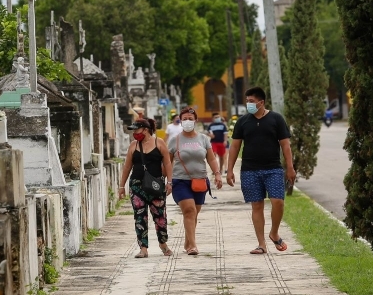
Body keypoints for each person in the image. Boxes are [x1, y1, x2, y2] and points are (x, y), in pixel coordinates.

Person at [226, 87, 296, 255]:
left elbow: (285, 145)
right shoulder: (243, 122)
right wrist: (229, 170)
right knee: (256, 206)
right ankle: (261, 244)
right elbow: (235, 146)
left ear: (261, 102)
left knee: (278, 202)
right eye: (247, 101)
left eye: (251, 101)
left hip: (273, 169)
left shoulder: (276, 119)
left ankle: (274, 232)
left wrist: (290, 167)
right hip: (250, 170)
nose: (248, 104)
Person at [168, 107, 223, 256]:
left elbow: (211, 158)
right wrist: (167, 180)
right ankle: (192, 245)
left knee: (194, 213)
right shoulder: (175, 140)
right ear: (180, 121)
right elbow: (168, 162)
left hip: (200, 181)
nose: (187, 121)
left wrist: (217, 174)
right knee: (189, 210)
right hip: (180, 181)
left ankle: (188, 241)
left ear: (196, 121)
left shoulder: (203, 139)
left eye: (190, 119)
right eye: (184, 119)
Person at [118, 118, 174, 258]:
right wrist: (121, 186)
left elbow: (167, 164)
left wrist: (170, 182)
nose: (134, 133)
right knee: (139, 217)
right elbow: (127, 167)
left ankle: (163, 243)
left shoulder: (159, 143)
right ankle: (143, 248)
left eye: (136, 129)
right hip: (137, 185)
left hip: (156, 185)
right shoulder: (133, 145)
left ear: (146, 129)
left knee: (160, 216)